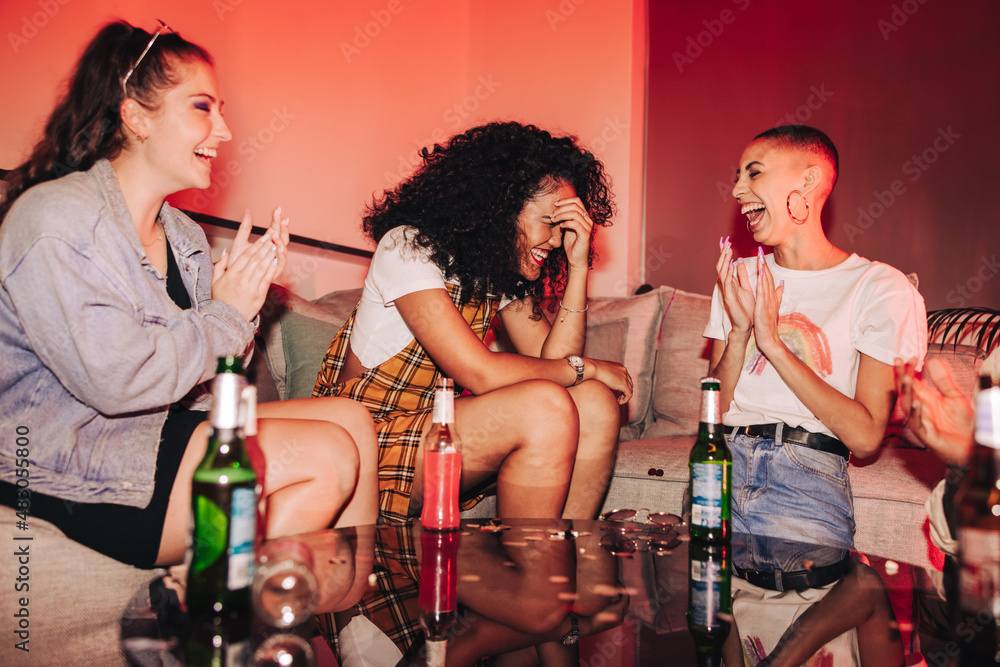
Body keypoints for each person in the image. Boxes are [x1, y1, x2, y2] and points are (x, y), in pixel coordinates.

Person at [0, 20, 378, 570]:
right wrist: (225, 313)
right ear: (135, 115)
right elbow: (117, 383)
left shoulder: (184, 236)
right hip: (68, 455)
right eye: (202, 107)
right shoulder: (56, 218)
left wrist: (241, 310)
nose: (223, 131)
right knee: (329, 455)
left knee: (352, 420)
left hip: (152, 429)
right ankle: (211, 623)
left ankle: (355, 633)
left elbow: (204, 384)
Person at [313, 121, 632, 524]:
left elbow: (553, 360)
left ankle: (565, 551)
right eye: (550, 224)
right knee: (544, 406)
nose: (555, 241)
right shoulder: (406, 246)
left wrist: (579, 265)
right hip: (368, 441)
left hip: (439, 430)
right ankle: (530, 565)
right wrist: (591, 368)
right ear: (500, 207)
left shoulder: (492, 272)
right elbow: (479, 372)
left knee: (596, 403)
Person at [706, 125, 927, 550]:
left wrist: (771, 344)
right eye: (737, 176)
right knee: (699, 611)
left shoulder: (880, 287)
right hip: (719, 468)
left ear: (807, 181)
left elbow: (864, 438)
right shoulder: (738, 277)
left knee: (797, 612)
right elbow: (710, 416)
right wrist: (738, 334)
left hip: (804, 474)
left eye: (753, 173)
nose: (736, 189)